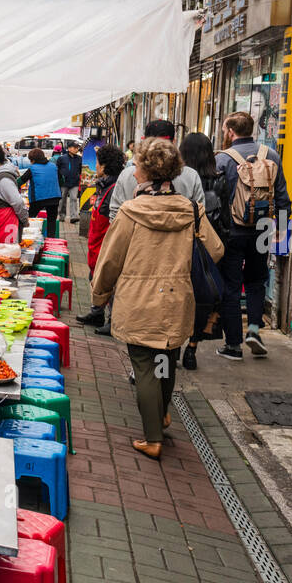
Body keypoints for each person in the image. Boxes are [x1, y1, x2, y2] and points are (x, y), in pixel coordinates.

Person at [90, 138, 223, 460]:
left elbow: (110, 261)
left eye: (136, 165)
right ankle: (162, 415)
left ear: (147, 171)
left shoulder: (132, 211)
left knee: (144, 364)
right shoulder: (191, 209)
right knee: (166, 357)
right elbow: (216, 250)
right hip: (178, 298)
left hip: (138, 298)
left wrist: (100, 295)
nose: (133, 171)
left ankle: (153, 438)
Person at [214, 111, 290, 361]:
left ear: (230, 132)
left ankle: (233, 345)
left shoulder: (223, 160)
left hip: (233, 232)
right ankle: (255, 331)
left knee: (232, 287)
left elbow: (216, 200)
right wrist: (279, 231)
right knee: (257, 282)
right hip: (263, 231)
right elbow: (282, 199)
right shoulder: (272, 156)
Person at [177, 132, 228, 370]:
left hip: (183, 246)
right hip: (208, 245)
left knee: (179, 296)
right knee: (203, 299)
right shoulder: (220, 178)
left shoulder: (180, 176)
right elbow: (225, 215)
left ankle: (173, 346)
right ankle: (192, 348)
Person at [109, 120, 204, 219]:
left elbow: (115, 213)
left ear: (145, 143)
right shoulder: (191, 176)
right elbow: (199, 214)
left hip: (135, 233)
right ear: (174, 142)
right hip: (181, 234)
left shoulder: (127, 174)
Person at [76, 144, 126, 328]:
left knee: (108, 283)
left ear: (104, 166)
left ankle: (113, 321)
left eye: (97, 163)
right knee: (94, 279)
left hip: (105, 245)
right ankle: (96, 313)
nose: (95, 166)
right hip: (96, 244)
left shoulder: (114, 188)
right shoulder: (104, 185)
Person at [16, 148, 63, 237]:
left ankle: (27, 237)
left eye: (31, 160)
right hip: (54, 198)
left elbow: (21, 181)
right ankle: (51, 241)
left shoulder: (32, 168)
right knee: (51, 221)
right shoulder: (53, 166)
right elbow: (62, 180)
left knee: (30, 218)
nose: (30, 162)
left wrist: (11, 184)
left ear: (33, 160)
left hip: (38, 198)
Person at [55, 142, 85, 223]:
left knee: (74, 199)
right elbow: (57, 170)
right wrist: (59, 180)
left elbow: (81, 170)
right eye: (74, 147)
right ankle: (61, 215)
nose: (76, 149)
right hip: (64, 183)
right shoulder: (61, 158)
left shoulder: (79, 159)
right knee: (62, 200)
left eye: (77, 148)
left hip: (74, 182)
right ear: (69, 148)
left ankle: (74, 216)